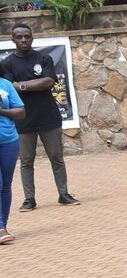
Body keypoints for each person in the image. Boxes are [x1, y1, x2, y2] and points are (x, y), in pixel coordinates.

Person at [0, 24, 79, 210]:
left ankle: (63, 193)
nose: (23, 40)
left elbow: (49, 81)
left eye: (27, 36)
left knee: (56, 157)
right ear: (13, 40)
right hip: (23, 120)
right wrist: (32, 84)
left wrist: (23, 86)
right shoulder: (7, 64)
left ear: (32, 38)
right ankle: (29, 199)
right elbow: (11, 86)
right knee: (26, 161)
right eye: (19, 37)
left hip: (48, 117)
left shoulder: (44, 58)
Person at [0, 75, 24, 244]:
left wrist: (1, 110)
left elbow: (21, 111)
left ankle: (3, 226)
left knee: (6, 185)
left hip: (9, 141)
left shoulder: (5, 84)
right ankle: (1, 229)